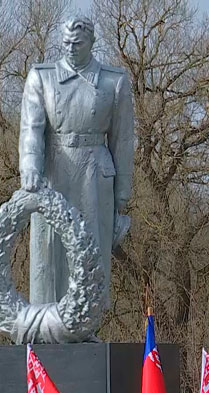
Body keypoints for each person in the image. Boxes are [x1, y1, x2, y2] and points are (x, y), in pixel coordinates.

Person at [19, 16, 134, 312]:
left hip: (94, 173)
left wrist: (122, 199)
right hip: (53, 170)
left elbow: (122, 142)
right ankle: (46, 319)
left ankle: (87, 318)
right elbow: (31, 129)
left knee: (90, 249)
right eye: (66, 43)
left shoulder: (114, 81)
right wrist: (30, 167)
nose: (71, 49)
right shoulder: (41, 77)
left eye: (78, 43)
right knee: (49, 249)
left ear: (92, 43)